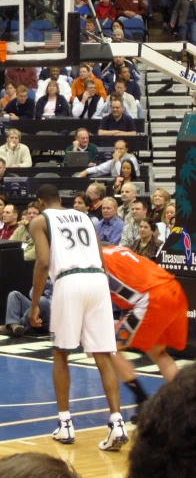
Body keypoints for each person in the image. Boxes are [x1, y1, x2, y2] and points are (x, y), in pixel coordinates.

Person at [28, 183, 128, 451]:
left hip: (69, 280)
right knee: (104, 354)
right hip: (97, 278)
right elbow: (101, 256)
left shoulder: (40, 220)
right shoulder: (84, 216)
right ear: (60, 199)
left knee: (61, 353)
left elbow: (43, 262)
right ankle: (117, 422)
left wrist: (35, 303)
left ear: (40, 202)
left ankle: (65, 423)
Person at [102, 246, 188, 419]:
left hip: (153, 298)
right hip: (174, 289)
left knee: (110, 346)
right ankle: (186, 403)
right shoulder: (116, 249)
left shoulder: (95, 263)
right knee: (159, 352)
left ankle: (142, 401)